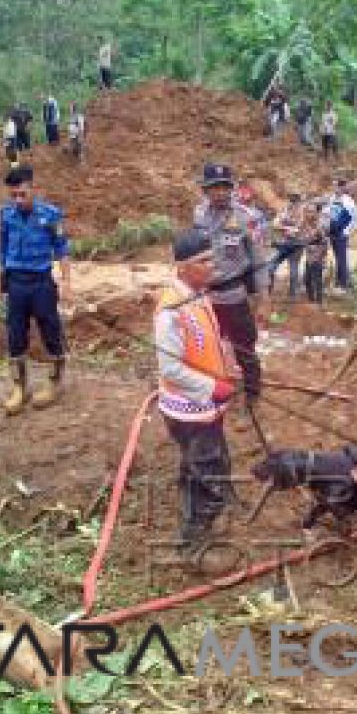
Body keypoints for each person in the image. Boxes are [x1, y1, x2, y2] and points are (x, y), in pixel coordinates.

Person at [155, 228, 237, 560]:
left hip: (204, 407)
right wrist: (211, 387)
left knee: (202, 464)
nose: (211, 265)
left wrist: (228, 366)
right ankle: (194, 543)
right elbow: (170, 368)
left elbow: (211, 340)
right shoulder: (171, 311)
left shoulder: (198, 294)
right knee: (208, 474)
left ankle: (210, 505)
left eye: (211, 258)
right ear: (182, 267)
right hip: (190, 410)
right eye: (203, 261)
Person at [192, 163, 270, 406]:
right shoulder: (199, 215)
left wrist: (264, 299)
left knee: (245, 350)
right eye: (214, 188)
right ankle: (216, 391)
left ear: (232, 188)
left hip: (233, 296)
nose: (220, 192)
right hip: (205, 298)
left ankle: (252, 397)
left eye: (225, 187)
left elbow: (258, 260)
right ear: (205, 190)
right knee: (208, 347)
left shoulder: (246, 217)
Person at [0, 165, 72, 415]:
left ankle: (55, 382)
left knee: (51, 331)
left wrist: (67, 282)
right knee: (15, 335)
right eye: (14, 195)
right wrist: (0, 279)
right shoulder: (6, 215)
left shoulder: (51, 215)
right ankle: (20, 387)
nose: (18, 200)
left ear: (32, 188)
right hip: (16, 283)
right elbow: (2, 248)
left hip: (41, 282)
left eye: (22, 194)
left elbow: (61, 248)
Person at [270, 192, 307, 299]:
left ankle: (292, 293)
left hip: (290, 243)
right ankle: (291, 294)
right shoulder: (291, 210)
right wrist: (289, 228)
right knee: (288, 267)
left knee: (290, 267)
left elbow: (277, 224)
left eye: (292, 201)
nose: (292, 203)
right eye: (292, 201)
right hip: (288, 243)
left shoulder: (298, 212)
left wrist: (284, 227)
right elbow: (275, 224)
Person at [326, 178, 357, 292]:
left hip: (341, 233)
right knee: (337, 258)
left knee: (342, 258)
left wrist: (347, 231)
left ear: (342, 187)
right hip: (332, 232)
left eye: (335, 186)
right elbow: (328, 213)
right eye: (333, 186)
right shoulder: (332, 198)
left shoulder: (348, 200)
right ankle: (338, 282)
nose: (333, 188)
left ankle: (344, 284)